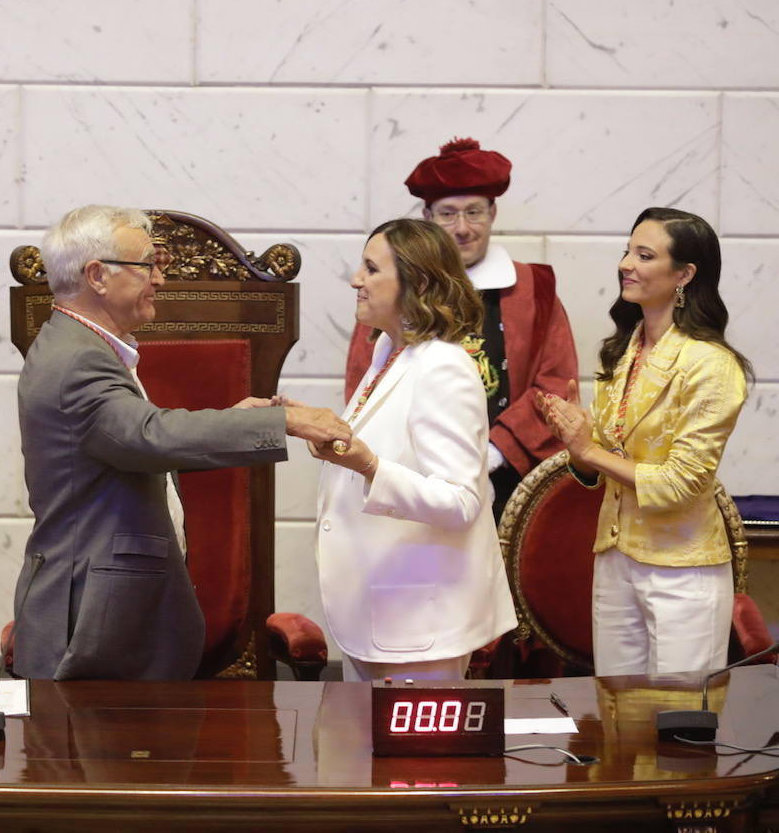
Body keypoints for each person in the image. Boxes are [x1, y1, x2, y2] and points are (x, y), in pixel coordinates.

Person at [14, 205, 351, 681]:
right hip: (91, 617)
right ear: (98, 276)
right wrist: (286, 421)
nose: (160, 280)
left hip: (102, 606)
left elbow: (127, 444)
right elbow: (147, 436)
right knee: (93, 753)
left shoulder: (84, 347)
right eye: (148, 265)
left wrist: (234, 421)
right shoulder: (76, 360)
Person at [538, 208, 750, 677]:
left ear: (685, 274)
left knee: (676, 731)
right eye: (627, 251)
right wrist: (579, 443)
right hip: (614, 560)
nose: (626, 264)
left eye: (645, 255)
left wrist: (589, 448)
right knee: (618, 718)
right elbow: (601, 468)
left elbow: (683, 484)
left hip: (682, 569)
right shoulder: (621, 351)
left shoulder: (711, 365)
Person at [313, 218, 516, 682]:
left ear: (417, 282)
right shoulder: (390, 352)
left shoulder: (443, 365)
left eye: (371, 268)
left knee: (416, 758)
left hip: (419, 621)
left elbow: (461, 501)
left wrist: (367, 464)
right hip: (378, 610)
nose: (356, 280)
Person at [345, 138, 577, 518]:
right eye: (448, 214)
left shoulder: (535, 289)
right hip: (410, 475)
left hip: (512, 474)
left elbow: (555, 383)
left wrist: (494, 452)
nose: (463, 228)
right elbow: (365, 383)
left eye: (474, 212)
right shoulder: (389, 291)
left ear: (494, 213)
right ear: (427, 216)